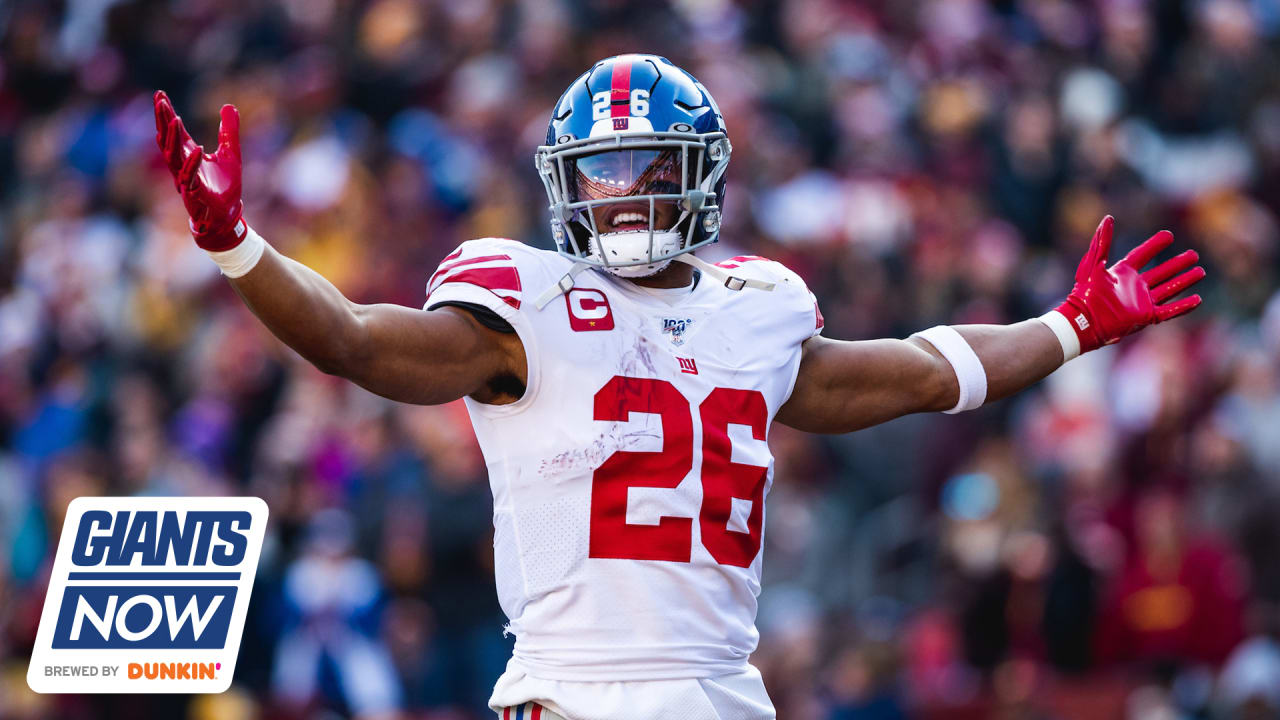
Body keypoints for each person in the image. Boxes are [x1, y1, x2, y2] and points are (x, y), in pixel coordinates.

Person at [152, 54, 1205, 720]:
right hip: (575, 688)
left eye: (647, 165)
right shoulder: (519, 305)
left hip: (719, 688)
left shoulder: (756, 311)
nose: (620, 195)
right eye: (600, 171)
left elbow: (925, 373)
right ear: (563, 184)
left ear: (697, 171)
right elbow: (350, 340)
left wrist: (1066, 327)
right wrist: (237, 244)